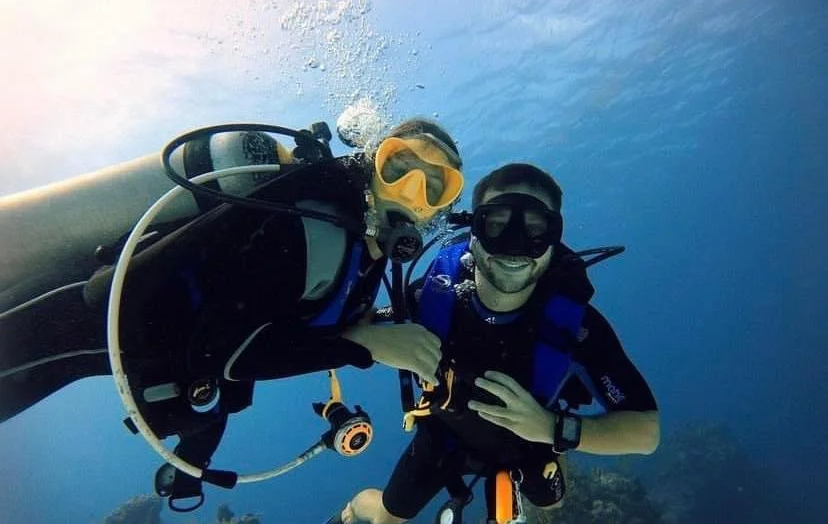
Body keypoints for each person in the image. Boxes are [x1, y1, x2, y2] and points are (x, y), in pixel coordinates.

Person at [0, 117, 464, 506]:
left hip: (109, 341)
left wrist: (195, 457)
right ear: (372, 161)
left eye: (435, 187)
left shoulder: (363, 254)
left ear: (439, 211)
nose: (411, 190)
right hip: (73, 319)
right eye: (399, 167)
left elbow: (245, 345)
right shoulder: (313, 228)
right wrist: (361, 347)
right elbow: (222, 355)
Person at [332, 163, 660, 524]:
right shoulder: (431, 297)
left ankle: (543, 462)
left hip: (531, 441)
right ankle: (351, 510)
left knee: (551, 504)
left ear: (554, 239)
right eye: (497, 225)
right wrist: (369, 339)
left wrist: (554, 428)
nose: (515, 249)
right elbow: (340, 332)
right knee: (386, 519)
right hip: (444, 434)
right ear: (474, 230)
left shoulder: (577, 328)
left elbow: (646, 433)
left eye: (535, 230)